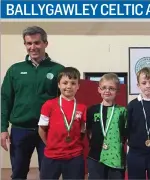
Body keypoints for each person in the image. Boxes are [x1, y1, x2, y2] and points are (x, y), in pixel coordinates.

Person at [1, 26, 64, 179]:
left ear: (45, 43)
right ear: (25, 45)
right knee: (18, 174)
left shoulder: (58, 70)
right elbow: (5, 99)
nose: (32, 47)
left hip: (48, 130)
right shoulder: (15, 70)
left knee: (49, 174)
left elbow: (64, 101)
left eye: (37, 43)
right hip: (20, 130)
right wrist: (3, 128)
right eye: (29, 43)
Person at [38, 67, 87, 180]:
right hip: (52, 156)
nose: (69, 86)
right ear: (59, 85)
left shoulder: (82, 107)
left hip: (74, 156)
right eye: (65, 83)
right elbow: (41, 129)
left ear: (78, 86)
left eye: (73, 83)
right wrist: (50, 144)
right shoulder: (49, 105)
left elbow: (82, 131)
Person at [86, 73, 127, 179]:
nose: (107, 91)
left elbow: (124, 133)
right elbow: (89, 131)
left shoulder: (122, 111)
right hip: (95, 156)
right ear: (99, 89)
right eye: (104, 88)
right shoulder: (92, 110)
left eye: (111, 88)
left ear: (117, 91)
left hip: (115, 157)